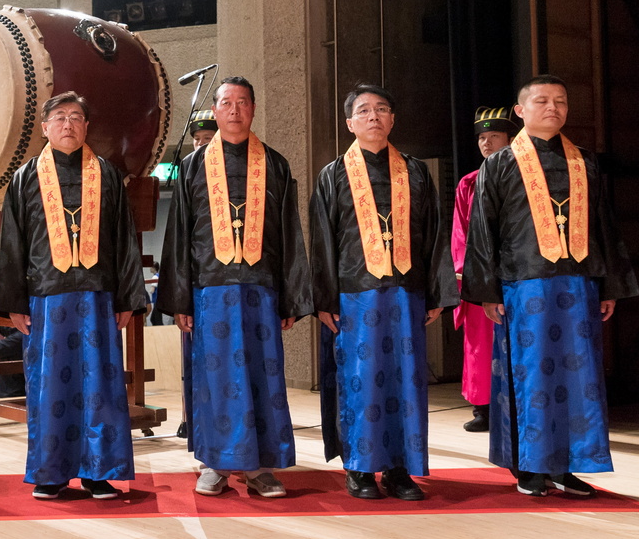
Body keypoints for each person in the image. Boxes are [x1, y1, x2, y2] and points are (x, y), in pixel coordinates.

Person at [463, 76, 638, 497]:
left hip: (577, 287)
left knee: (580, 377)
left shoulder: (584, 163)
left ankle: (569, 463)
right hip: (525, 287)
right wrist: (487, 290)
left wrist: (609, 284)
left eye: (560, 101)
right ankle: (529, 466)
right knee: (531, 375)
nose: (553, 108)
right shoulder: (501, 163)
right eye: (541, 101)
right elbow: (481, 229)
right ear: (520, 111)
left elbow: (604, 227)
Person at [157, 76, 312, 499]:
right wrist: (180, 298)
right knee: (214, 378)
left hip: (261, 290)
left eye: (243, 102)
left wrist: (292, 296)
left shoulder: (275, 165)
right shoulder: (192, 167)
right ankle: (215, 464)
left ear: (253, 109)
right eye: (227, 102)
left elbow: (289, 234)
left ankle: (261, 468)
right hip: (210, 291)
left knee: (263, 376)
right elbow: (180, 237)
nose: (235, 110)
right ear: (217, 109)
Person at [0, 91, 146, 500]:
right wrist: (11, 302)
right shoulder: (26, 178)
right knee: (50, 386)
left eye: (76, 117)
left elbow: (124, 242)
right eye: (59, 117)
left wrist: (129, 298)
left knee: (101, 385)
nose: (67, 124)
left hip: (98, 298)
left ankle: (100, 472)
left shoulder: (108, 176)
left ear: (86, 126)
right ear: (44, 128)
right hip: (47, 299)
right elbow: (12, 244)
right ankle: (51, 473)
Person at [309, 85, 456, 500]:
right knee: (361, 382)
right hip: (356, 297)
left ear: (392, 120)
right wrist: (324, 300)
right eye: (364, 110)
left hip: (406, 295)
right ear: (349, 123)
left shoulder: (415, 171)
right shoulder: (334, 174)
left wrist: (435, 293)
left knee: (405, 382)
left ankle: (399, 469)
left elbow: (434, 234)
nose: (374, 116)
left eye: (382, 109)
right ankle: (358, 467)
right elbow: (321, 241)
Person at [453, 107, 515, 432]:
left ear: (510, 139)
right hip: (481, 272)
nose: (486, 143)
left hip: (516, 271)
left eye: (494, 136)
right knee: (480, 342)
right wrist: (465, 272)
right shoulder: (469, 183)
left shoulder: (522, 179)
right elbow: (460, 232)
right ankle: (484, 409)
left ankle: (514, 409)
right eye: (481, 138)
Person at [174, 110, 218, 440]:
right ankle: (191, 417)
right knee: (194, 358)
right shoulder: (189, 172)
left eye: (208, 140)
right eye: (197, 141)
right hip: (198, 283)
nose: (201, 146)